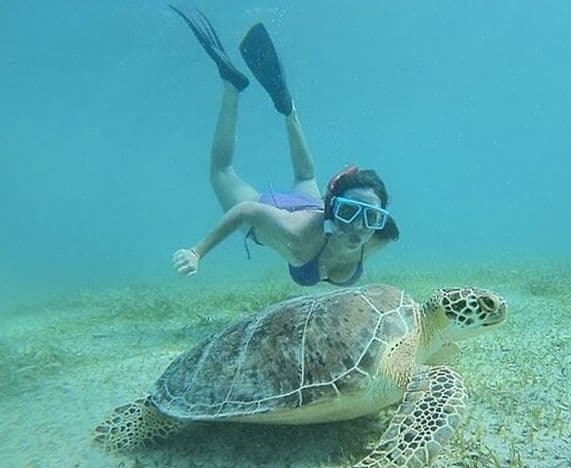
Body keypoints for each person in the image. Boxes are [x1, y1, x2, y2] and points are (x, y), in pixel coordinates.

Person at [168, 6, 399, 286]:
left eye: (372, 217)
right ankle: (232, 86)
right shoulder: (294, 232)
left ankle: (289, 110)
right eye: (349, 212)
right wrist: (197, 252)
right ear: (332, 209)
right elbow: (245, 211)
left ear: (381, 219)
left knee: (306, 177)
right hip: (291, 216)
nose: (360, 226)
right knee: (221, 171)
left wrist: (352, 213)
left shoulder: (379, 238)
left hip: (311, 207)